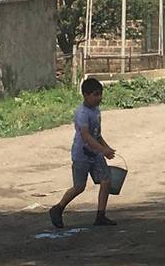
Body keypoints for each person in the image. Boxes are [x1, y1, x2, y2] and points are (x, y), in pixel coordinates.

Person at [50, 77, 118, 228]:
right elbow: (86, 136)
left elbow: (96, 134)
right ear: (85, 95)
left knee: (106, 181)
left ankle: (101, 215)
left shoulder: (96, 111)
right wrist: (103, 150)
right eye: (95, 94)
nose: (99, 98)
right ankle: (58, 208)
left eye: (100, 94)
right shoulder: (82, 113)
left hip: (96, 153)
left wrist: (106, 148)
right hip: (81, 154)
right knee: (79, 187)